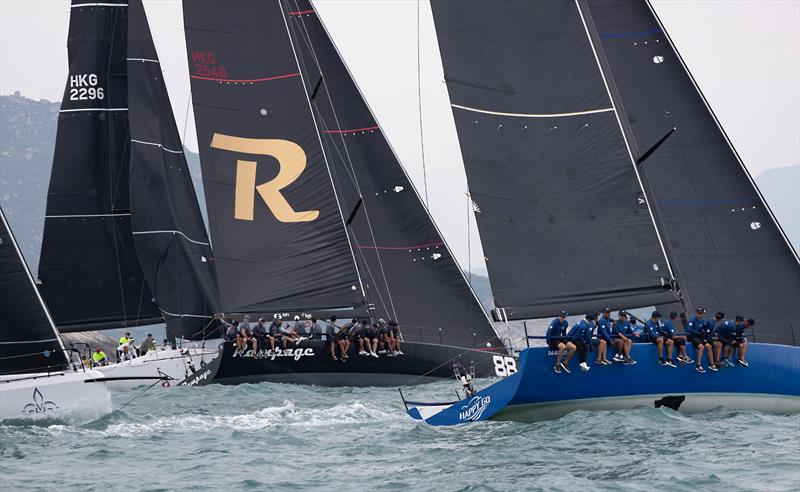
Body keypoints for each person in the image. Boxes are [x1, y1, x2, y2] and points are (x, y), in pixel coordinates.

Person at [687, 307, 713, 372]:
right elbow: (688, 329)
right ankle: (698, 365)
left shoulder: (702, 321)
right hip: (692, 337)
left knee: (709, 347)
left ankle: (711, 364)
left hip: (699, 337)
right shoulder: (692, 320)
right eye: (698, 313)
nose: (699, 314)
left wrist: (703, 331)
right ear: (696, 312)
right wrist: (698, 332)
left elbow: (702, 329)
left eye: (701, 313)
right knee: (701, 347)